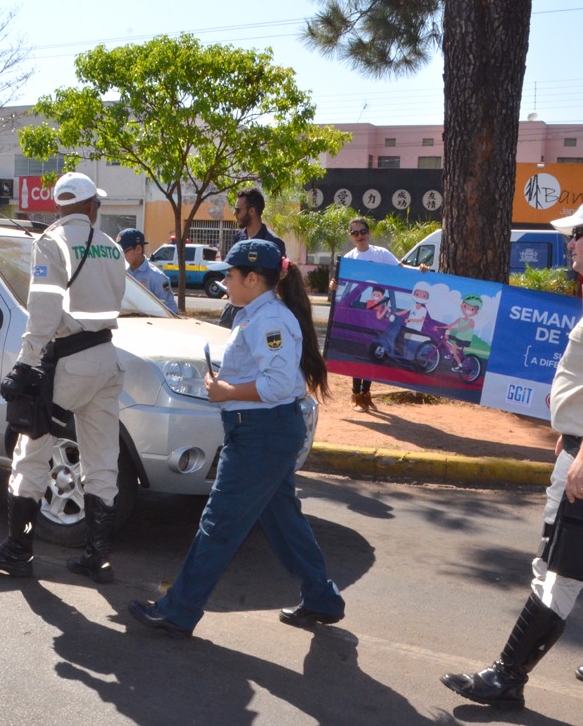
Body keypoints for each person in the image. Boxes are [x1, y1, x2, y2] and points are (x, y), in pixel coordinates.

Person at [440, 191, 583, 711]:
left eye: (577, 233)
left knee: (559, 567)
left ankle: (507, 677)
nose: (568, 242)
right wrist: (574, 433)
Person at [128, 239, 344, 639]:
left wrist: (226, 392)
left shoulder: (268, 320)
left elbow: (279, 384)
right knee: (283, 520)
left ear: (252, 278)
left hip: (262, 433)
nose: (223, 279)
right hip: (265, 431)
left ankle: (179, 609)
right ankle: (321, 598)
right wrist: (225, 387)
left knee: (219, 523)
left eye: (229, 273)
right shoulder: (256, 314)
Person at [0, 172, 126, 583]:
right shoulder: (111, 248)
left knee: (31, 453)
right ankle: (98, 558)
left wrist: (24, 363)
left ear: (60, 206)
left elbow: (44, 310)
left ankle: (18, 551)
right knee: (102, 458)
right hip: (107, 358)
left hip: (68, 363)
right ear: (92, 206)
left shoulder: (51, 244)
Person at [330, 218, 401, 411]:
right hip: (359, 313)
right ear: (350, 236)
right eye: (355, 233)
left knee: (373, 353)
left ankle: (367, 393)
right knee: (359, 353)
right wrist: (332, 285)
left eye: (362, 232)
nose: (360, 236)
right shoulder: (349, 259)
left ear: (369, 233)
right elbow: (339, 285)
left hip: (379, 313)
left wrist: (421, 270)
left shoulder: (382, 254)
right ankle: (356, 394)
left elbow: (402, 271)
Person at [218, 188, 286, 328]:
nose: (234, 214)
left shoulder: (273, 244)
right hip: (235, 307)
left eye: (238, 210)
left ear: (252, 211)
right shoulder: (239, 238)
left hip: (257, 313)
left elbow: (277, 281)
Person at [117, 228, 177, 313]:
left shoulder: (157, 278)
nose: (120, 256)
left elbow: (171, 311)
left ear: (138, 249)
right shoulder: (120, 273)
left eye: (123, 252)